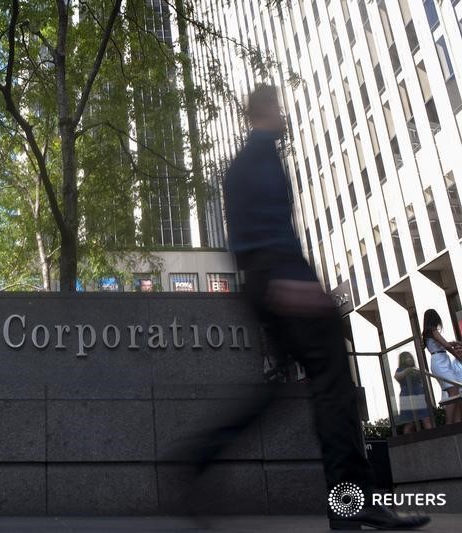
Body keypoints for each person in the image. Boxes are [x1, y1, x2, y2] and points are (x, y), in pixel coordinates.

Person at [176, 84, 429, 530]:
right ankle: (352, 502)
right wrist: (295, 284)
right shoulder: (257, 160)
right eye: (278, 107)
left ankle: (199, 456)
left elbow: (246, 239)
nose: (284, 115)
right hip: (280, 278)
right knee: (332, 382)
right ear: (265, 111)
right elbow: (266, 232)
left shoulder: (246, 164)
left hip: (267, 281)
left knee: (278, 391)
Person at [422, 309, 462, 424]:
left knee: (454, 392)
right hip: (440, 361)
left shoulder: (428, 332)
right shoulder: (433, 330)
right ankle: (449, 423)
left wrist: (452, 344)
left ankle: (457, 421)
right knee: (454, 391)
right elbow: (446, 346)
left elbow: (443, 344)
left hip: (439, 360)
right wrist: (458, 357)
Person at [394, 352, 433, 433]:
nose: (409, 359)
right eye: (406, 358)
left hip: (419, 395)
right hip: (407, 396)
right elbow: (397, 376)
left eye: (410, 357)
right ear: (402, 360)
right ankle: (408, 443)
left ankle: (434, 439)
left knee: (426, 418)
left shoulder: (416, 369)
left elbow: (426, 375)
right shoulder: (400, 370)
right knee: (410, 423)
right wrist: (408, 371)